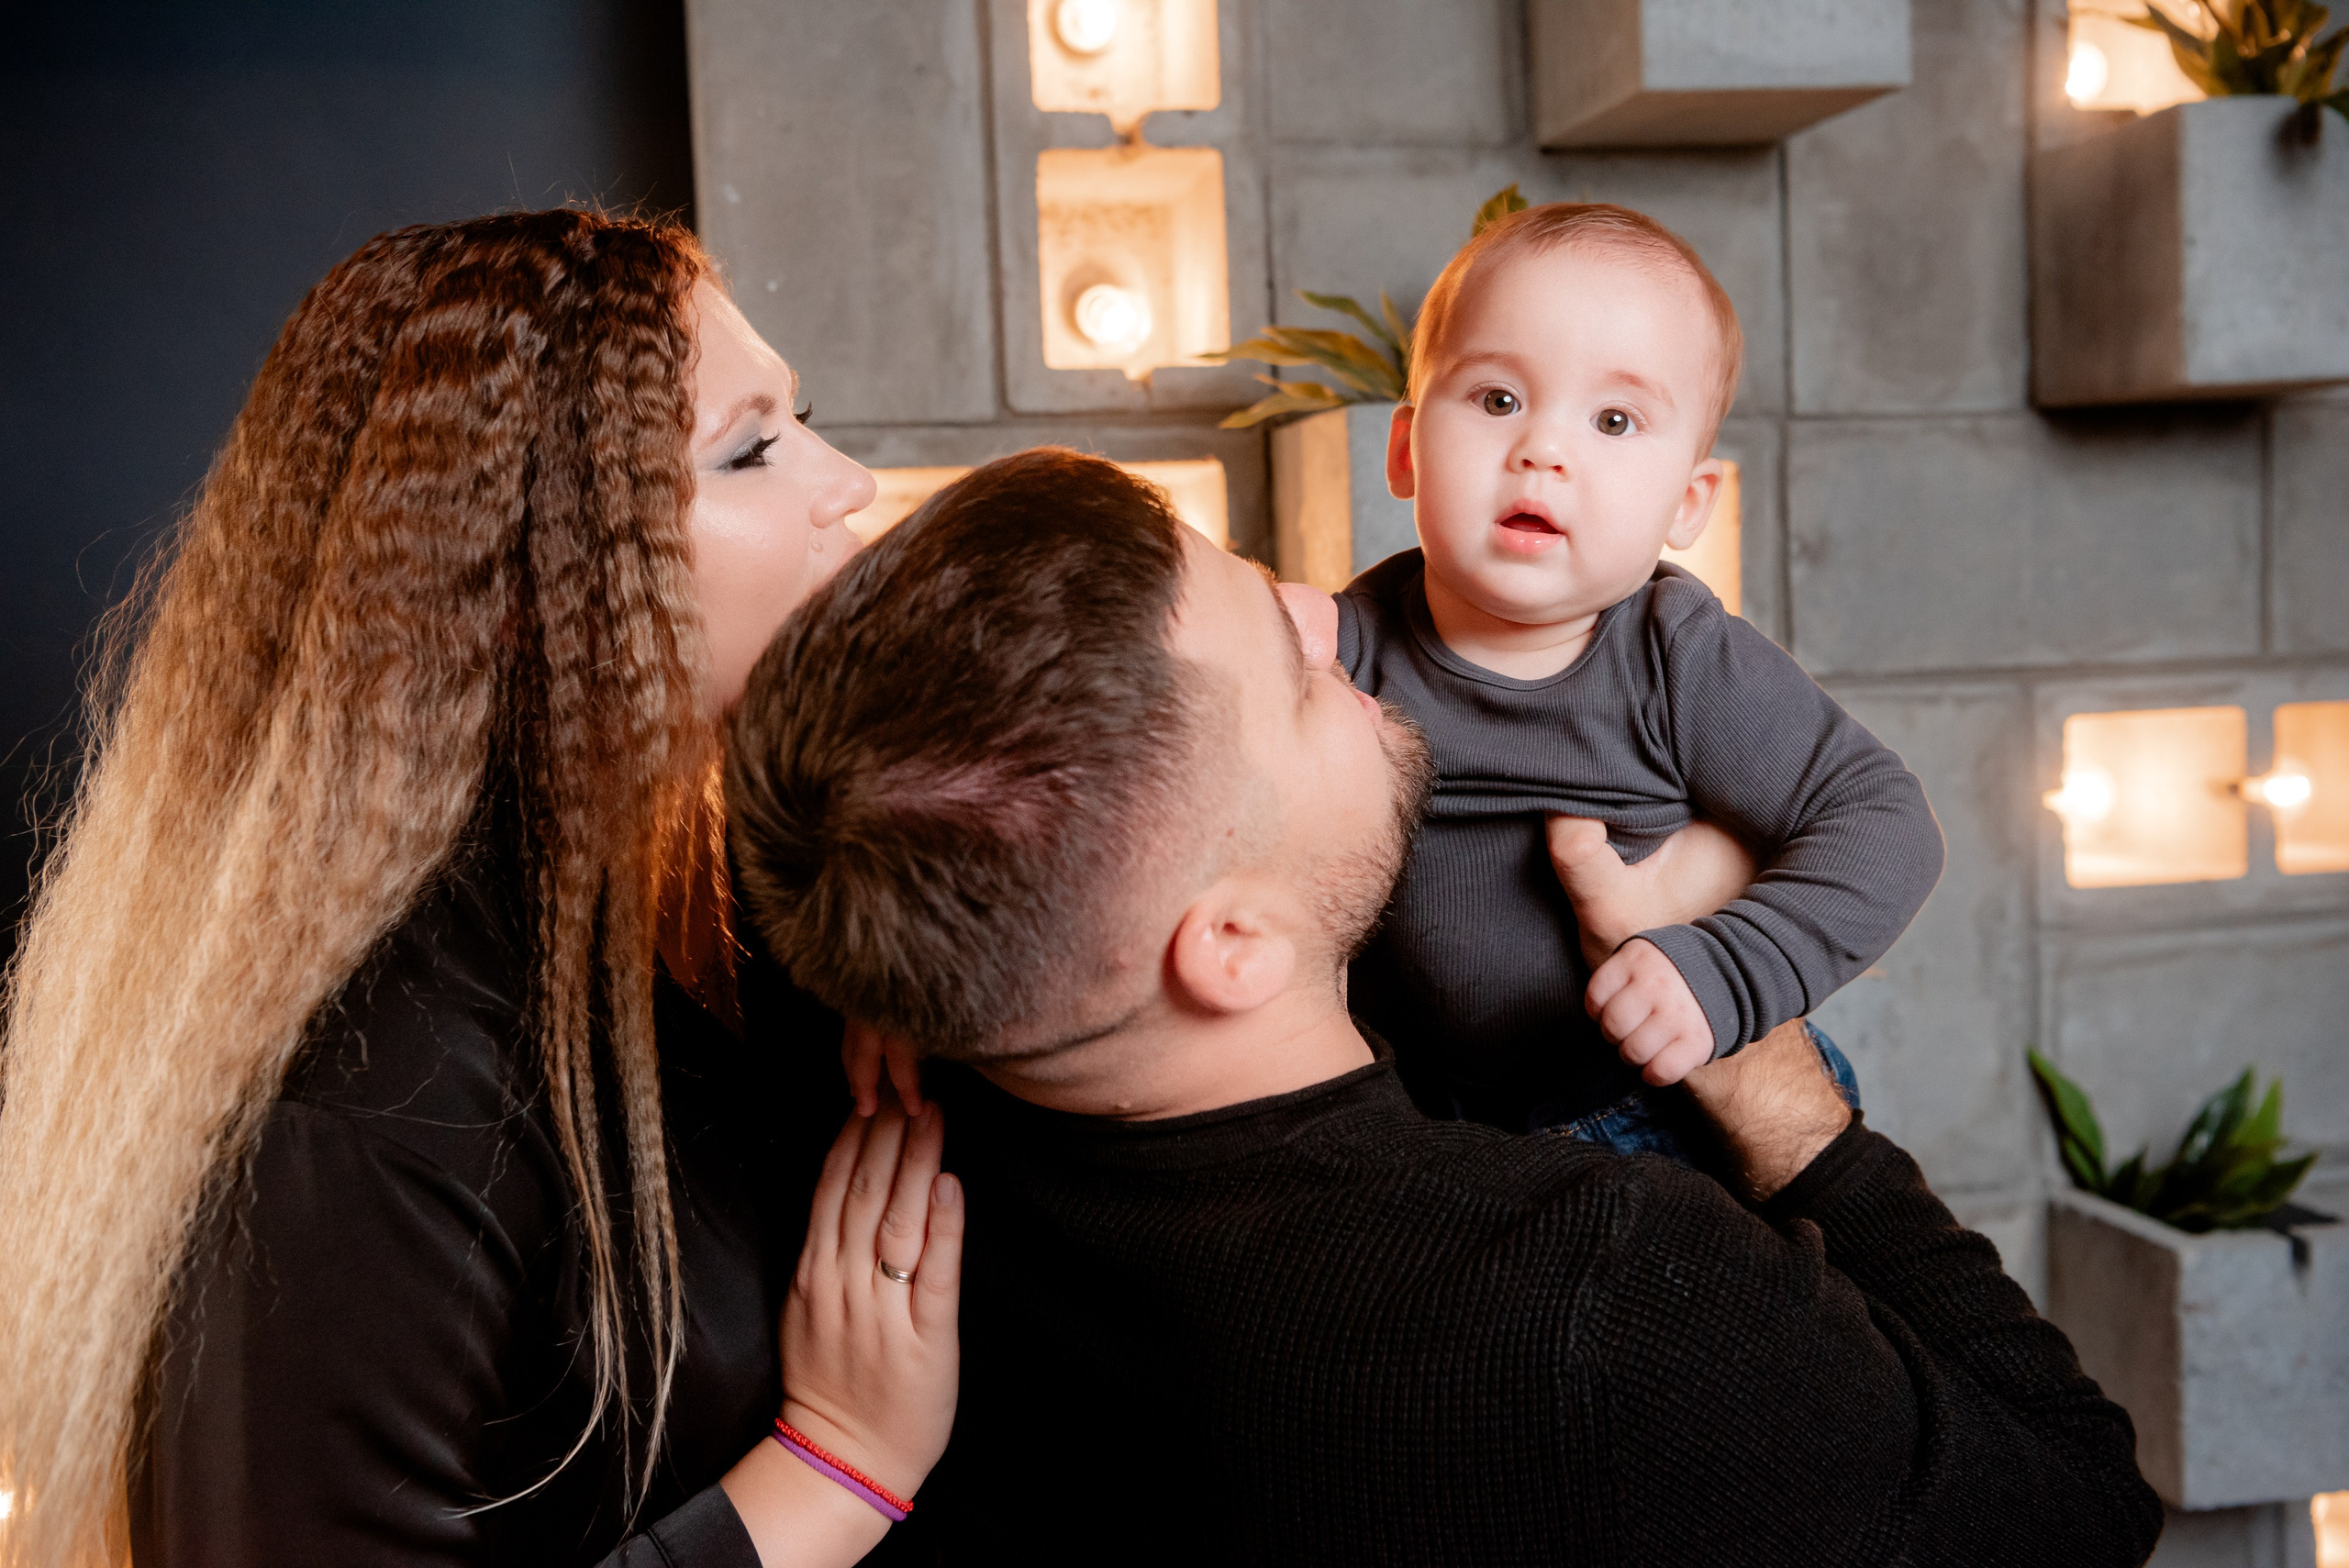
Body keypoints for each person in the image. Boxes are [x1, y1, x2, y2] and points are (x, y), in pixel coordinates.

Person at [725, 449, 2165, 1566]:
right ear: (1225, 941)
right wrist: (1767, 1075)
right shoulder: (1602, 1297)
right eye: (1289, 674)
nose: (1324, 613)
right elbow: (2081, 1510)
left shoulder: (860, 1086)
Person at [0, 209, 956, 1568]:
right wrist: (835, 1467)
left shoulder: (719, 894)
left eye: (804, 420)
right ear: (523, 582)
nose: (850, 483)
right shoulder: (371, 1092)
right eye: (748, 450)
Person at [1319, 200, 1944, 1150]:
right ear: (1405, 449)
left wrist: (1726, 968)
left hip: (1650, 1110)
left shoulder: (1676, 657)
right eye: (1497, 399)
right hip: (1425, 1122)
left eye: (1614, 419)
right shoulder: (1350, 639)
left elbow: (1883, 821)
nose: (1543, 448)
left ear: (1687, 502)